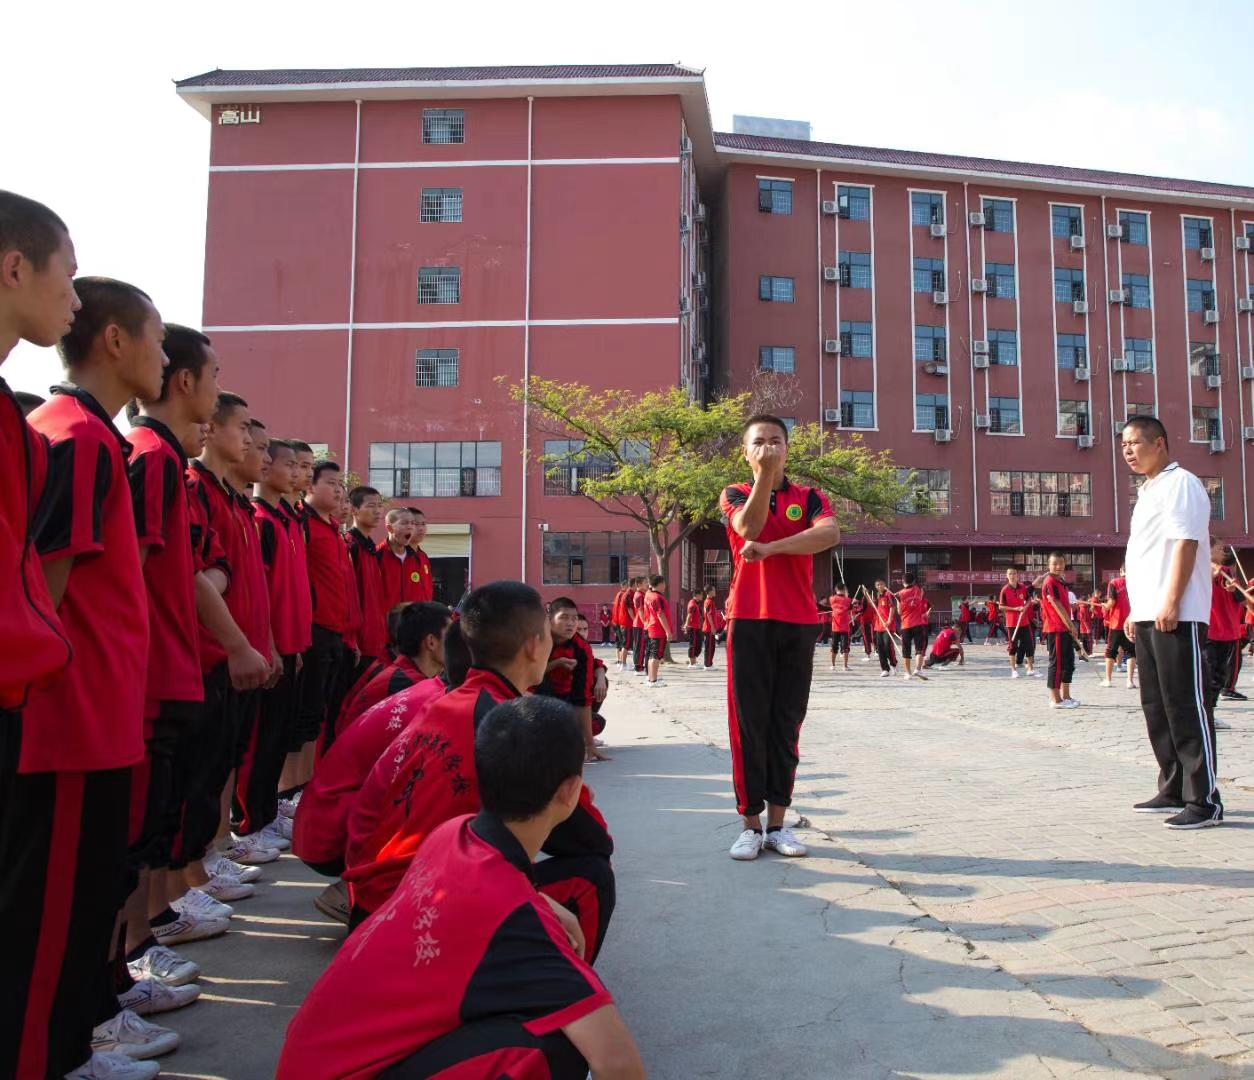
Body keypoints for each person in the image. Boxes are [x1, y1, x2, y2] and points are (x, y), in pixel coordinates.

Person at [278, 695, 643, 1080]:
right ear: (571, 792)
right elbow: (617, 1063)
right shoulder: (516, 921)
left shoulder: (450, 834)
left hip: (311, 1060)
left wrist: (546, 905)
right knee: (557, 1044)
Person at [22, 278, 168, 1077]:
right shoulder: (75, 438)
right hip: (66, 726)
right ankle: (54, 1056)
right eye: (156, 337)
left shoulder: (93, 437)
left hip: (99, 719)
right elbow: (44, 593)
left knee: (80, 907)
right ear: (117, 342)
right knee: (52, 919)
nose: (166, 358)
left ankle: (72, 1039)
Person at [344, 582, 615, 957]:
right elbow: (593, 839)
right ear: (536, 645)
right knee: (591, 875)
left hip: (370, 902)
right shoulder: (518, 724)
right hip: (419, 910)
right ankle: (552, 1004)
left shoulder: (442, 705)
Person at [120, 325, 223, 1010]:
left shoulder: (151, 457)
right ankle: (105, 993)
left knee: (152, 821)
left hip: (161, 672)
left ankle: (134, 950)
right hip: (142, 678)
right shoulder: (151, 459)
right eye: (213, 374)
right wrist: (240, 644)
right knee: (131, 837)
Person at [719, 415, 838, 861]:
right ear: (746, 452)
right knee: (748, 724)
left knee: (786, 723)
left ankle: (777, 825)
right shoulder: (735, 493)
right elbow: (747, 528)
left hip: (798, 620)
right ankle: (749, 825)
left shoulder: (809, 497)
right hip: (748, 618)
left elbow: (827, 534)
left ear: (788, 448)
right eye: (759, 443)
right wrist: (765, 478)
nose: (769, 447)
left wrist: (772, 550)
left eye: (776, 441)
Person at [294, 618, 463, 924]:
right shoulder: (421, 695)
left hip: (327, 818)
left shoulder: (420, 685)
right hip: (331, 830)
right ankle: (355, 891)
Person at [1121, 416, 1222, 829]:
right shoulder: (1148, 490)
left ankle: (1205, 801)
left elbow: (1186, 543)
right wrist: (1135, 608)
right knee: (1157, 705)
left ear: (1159, 442)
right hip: (1148, 613)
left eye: (1135, 442)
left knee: (1186, 705)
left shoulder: (1182, 483)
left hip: (1176, 613)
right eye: (1124, 444)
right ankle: (1174, 785)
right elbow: (1146, 556)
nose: (1128, 450)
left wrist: (1172, 601)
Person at [299, 461, 356, 757]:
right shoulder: (302, 524)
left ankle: (306, 785)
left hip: (337, 634)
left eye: (340, 486)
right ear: (310, 485)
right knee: (305, 717)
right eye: (331, 484)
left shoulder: (334, 532)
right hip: (313, 632)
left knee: (325, 714)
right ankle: (290, 792)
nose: (338, 490)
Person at [335, 601, 451, 736]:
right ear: (431, 642)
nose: (456, 643)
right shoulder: (403, 683)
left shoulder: (399, 672)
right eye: (450, 636)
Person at [538, 597, 606, 760]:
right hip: (532, 697)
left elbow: (582, 696)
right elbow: (524, 677)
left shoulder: (582, 648)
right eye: (564, 618)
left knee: (596, 723)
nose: (571, 624)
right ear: (550, 619)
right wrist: (556, 663)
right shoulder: (536, 639)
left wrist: (589, 744)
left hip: (564, 700)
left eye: (574, 619)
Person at [1205, 540, 1249, 730]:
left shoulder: (1228, 571)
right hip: (1210, 630)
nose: (1223, 551)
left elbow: (1240, 598)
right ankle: (1205, 716)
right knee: (1208, 676)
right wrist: (1210, 576)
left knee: (1220, 677)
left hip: (1228, 630)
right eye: (1219, 548)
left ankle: (1210, 714)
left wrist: (1234, 589)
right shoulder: (1200, 570)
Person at [346, 486, 387, 674]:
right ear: (354, 510)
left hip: (375, 642)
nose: (378, 511)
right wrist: (352, 639)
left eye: (380, 506)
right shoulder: (350, 545)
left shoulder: (371, 549)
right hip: (358, 644)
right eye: (371, 506)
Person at [1036, 553, 1081, 709]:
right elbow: (1057, 606)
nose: (1058, 566)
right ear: (1049, 565)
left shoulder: (1061, 582)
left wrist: (1070, 625)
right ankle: (1056, 699)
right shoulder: (1049, 582)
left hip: (1065, 628)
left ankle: (1067, 696)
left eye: (1061, 563)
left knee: (1069, 663)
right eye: (1054, 564)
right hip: (1056, 628)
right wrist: (1071, 625)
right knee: (1057, 663)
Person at [1102, 564, 1138, 690]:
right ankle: (1130, 681)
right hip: (1132, 622)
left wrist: (1105, 606)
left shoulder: (1114, 583)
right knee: (1131, 652)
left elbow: (1111, 602)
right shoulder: (1136, 583)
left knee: (1111, 651)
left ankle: (1108, 679)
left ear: (1121, 570)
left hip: (1117, 623)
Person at [999, 567, 1038, 679]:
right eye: (1010, 574)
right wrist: (1015, 609)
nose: (1012, 576)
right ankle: (1014, 670)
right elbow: (1001, 606)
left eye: (1014, 574)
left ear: (1017, 575)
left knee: (1029, 646)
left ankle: (1030, 669)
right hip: (1012, 623)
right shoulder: (1005, 590)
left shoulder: (1023, 588)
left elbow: (1028, 600)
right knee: (1013, 647)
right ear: (1007, 576)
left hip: (1024, 622)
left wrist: (1025, 607)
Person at [895, 573, 929, 680]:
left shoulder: (900, 594)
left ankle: (908, 673)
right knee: (919, 649)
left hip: (905, 625)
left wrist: (897, 599)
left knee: (906, 650)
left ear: (902, 581)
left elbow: (899, 612)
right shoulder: (918, 590)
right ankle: (917, 670)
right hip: (918, 624)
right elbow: (920, 594)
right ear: (913, 581)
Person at [643, 575, 673, 688]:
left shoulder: (648, 595)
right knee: (656, 656)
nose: (665, 585)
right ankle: (653, 681)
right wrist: (668, 631)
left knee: (652, 655)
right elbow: (660, 614)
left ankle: (651, 678)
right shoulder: (657, 598)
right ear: (660, 584)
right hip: (658, 629)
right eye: (664, 583)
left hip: (651, 627)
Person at [405, 505, 435, 602]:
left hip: (424, 613)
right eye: (416, 524)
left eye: (423, 524)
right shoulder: (397, 555)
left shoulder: (423, 556)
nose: (421, 528)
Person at [871, 580, 898, 677]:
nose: (879, 586)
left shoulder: (888, 594)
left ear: (885, 585)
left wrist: (889, 620)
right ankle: (885, 669)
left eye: (881, 584)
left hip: (888, 625)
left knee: (887, 646)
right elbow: (874, 608)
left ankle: (893, 665)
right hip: (879, 625)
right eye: (877, 585)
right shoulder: (878, 596)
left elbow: (892, 607)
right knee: (880, 648)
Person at [829, 583, 852, 670]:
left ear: (835, 589)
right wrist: (846, 596)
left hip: (835, 626)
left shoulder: (831, 599)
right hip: (845, 627)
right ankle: (845, 666)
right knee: (845, 646)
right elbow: (850, 607)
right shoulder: (848, 600)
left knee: (834, 646)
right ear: (844, 589)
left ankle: (833, 665)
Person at [630, 577, 648, 675]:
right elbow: (640, 610)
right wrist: (645, 623)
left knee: (640, 646)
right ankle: (638, 668)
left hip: (640, 624)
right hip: (640, 624)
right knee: (639, 647)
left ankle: (640, 666)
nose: (647, 584)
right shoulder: (639, 595)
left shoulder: (642, 594)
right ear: (639, 585)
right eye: (645, 582)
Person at [702, 585, 723, 668]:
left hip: (708, 628)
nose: (715, 591)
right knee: (710, 647)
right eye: (714, 590)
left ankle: (709, 663)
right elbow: (709, 615)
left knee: (710, 647)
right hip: (709, 629)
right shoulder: (709, 602)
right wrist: (713, 627)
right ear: (710, 592)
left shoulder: (708, 601)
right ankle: (708, 665)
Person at [682, 589, 704, 666]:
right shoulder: (692, 604)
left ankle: (694, 660)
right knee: (693, 645)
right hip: (693, 628)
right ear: (697, 595)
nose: (702, 596)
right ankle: (692, 663)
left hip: (697, 627)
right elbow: (689, 616)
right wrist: (686, 626)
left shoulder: (695, 604)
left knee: (698, 645)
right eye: (701, 595)